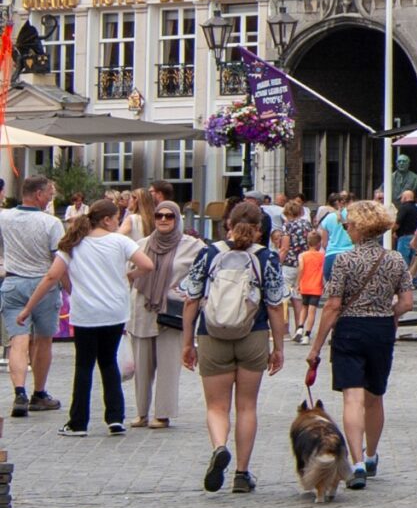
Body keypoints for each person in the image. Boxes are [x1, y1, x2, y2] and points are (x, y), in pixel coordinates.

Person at [176, 200, 291, 492]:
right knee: (247, 406)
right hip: (253, 334)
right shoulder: (267, 258)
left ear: (227, 224)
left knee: (216, 406)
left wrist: (187, 341)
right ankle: (241, 473)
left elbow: (190, 299)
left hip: (212, 334)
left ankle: (218, 446)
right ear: (259, 229)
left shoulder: (209, 253)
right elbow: (275, 306)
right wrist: (278, 347)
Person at [306, 199, 411, 486]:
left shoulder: (344, 260)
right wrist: (388, 312)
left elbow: (332, 306)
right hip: (381, 329)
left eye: (348, 225)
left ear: (359, 228)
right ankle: (373, 453)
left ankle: (357, 461)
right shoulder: (395, 260)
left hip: (350, 329)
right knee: (375, 396)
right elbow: (407, 302)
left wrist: (316, 346)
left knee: (352, 397)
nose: (347, 229)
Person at [23, 199, 136, 435]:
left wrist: (27, 308)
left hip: (86, 313)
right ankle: (115, 418)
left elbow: (52, 276)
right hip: (115, 312)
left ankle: (78, 422)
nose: (118, 222)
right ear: (106, 220)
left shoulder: (72, 244)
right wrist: (127, 276)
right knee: (108, 362)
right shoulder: (120, 242)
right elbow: (147, 265)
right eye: (117, 218)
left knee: (84, 365)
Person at [126, 198, 204, 429]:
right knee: (142, 365)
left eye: (169, 216)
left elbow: (201, 275)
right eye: (159, 215)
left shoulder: (192, 246)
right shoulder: (141, 244)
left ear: (177, 219)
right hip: (142, 309)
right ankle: (141, 412)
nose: (163, 220)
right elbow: (128, 273)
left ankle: (162, 413)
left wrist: (185, 295)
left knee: (169, 365)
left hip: (172, 312)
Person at [2, 172, 64, 419]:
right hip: (44, 285)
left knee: (18, 340)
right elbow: (58, 259)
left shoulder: (4, 217)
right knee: (43, 339)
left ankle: (19, 392)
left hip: (13, 281)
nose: (50, 198)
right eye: (49, 193)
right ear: (38, 194)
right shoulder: (51, 223)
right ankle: (39, 392)